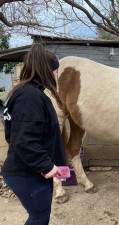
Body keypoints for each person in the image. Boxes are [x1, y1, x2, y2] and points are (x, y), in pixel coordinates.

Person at [0, 43, 67, 225]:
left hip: (30, 171)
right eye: (55, 70)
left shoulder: (25, 92)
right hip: (27, 173)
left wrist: (50, 124)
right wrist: (47, 166)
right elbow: (23, 141)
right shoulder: (30, 96)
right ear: (46, 70)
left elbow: (14, 131)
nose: (56, 75)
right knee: (38, 218)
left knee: (40, 216)